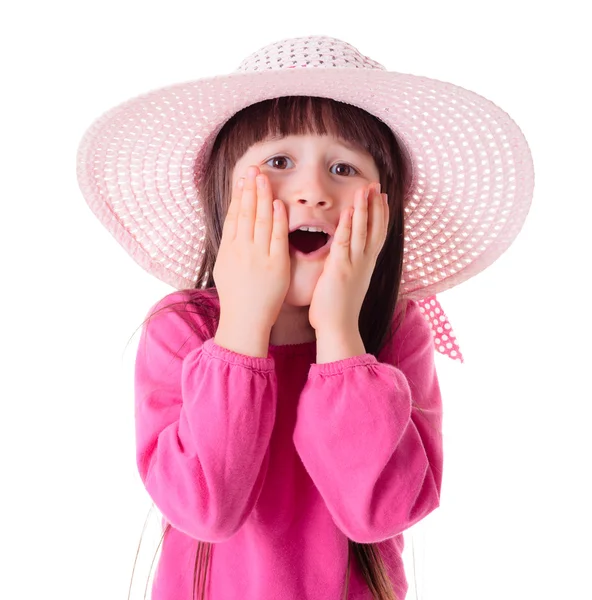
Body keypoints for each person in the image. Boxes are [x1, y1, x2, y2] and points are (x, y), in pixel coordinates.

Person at [76, 35, 534, 600]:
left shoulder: (396, 333)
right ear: (224, 192)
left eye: (344, 167)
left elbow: (379, 512)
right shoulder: (183, 330)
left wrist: (341, 334)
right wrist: (243, 323)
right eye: (278, 161)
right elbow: (206, 507)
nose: (314, 191)